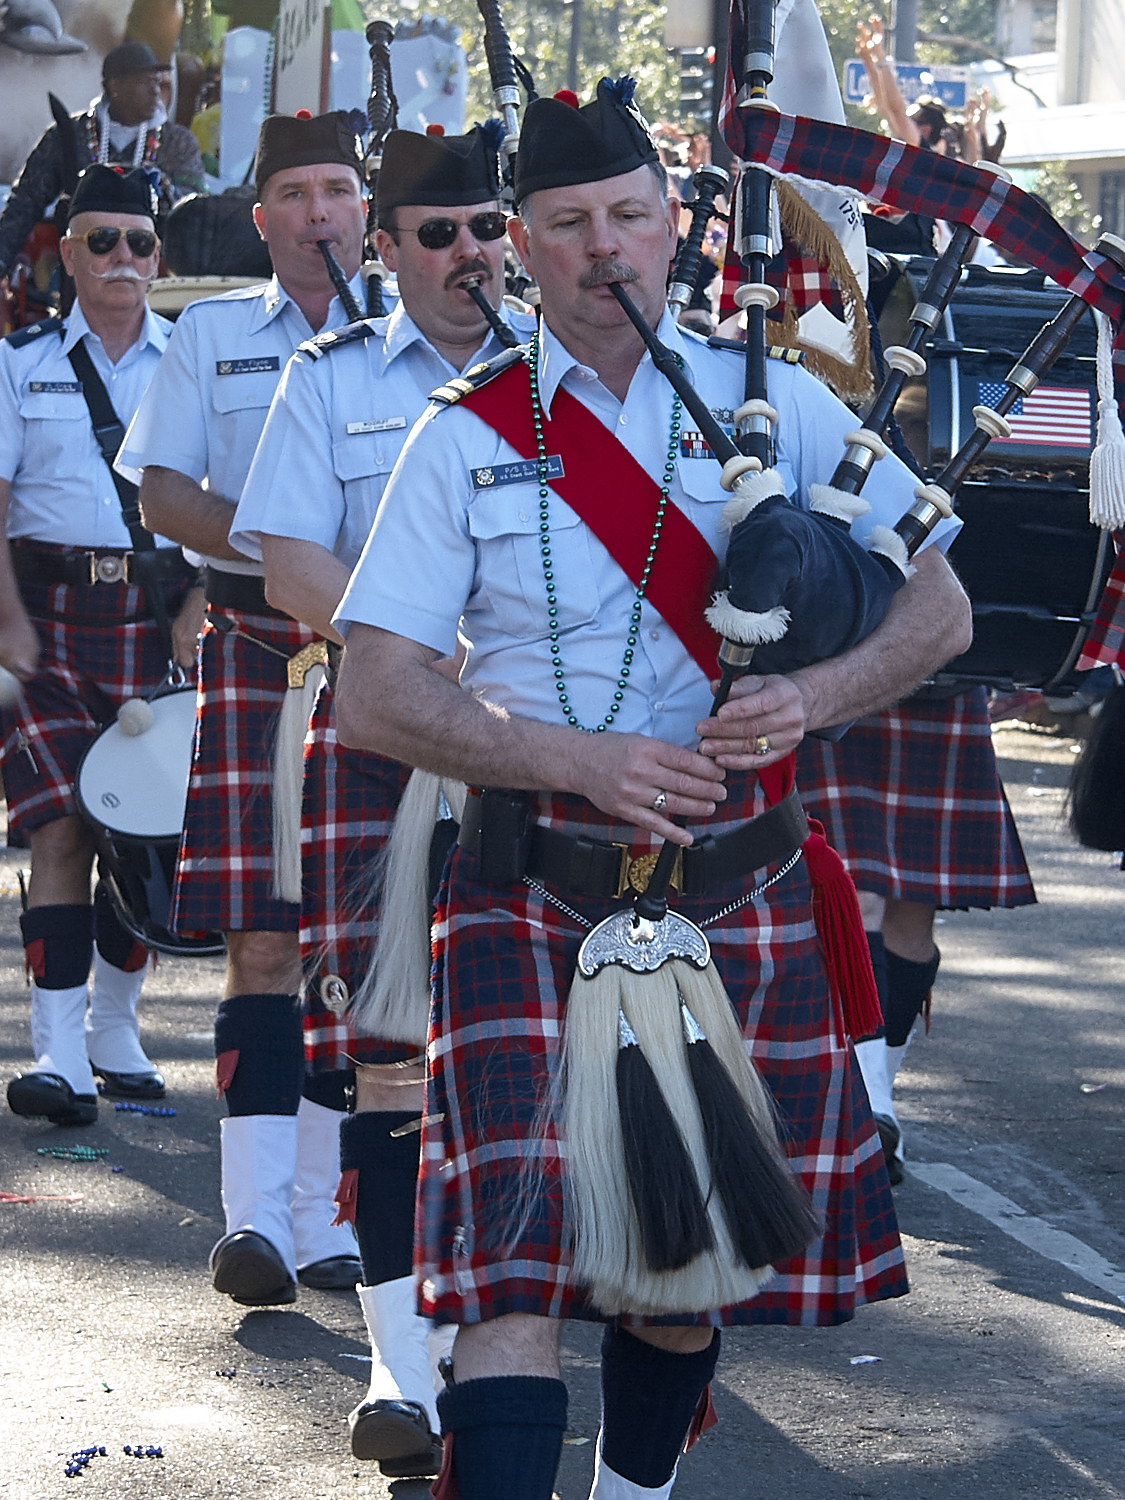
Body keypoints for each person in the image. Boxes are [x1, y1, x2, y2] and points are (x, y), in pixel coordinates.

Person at [330, 79, 972, 1500]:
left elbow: (942, 612)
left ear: (674, 224)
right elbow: (375, 687)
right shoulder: (470, 430)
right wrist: (572, 758)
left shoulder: (780, 404)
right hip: (528, 881)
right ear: (519, 243)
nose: (604, 246)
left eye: (630, 214)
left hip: (732, 878)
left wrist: (810, 696)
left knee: (675, 1282)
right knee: (507, 1284)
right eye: (570, 223)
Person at [228, 122, 534, 1474]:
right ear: (389, 247)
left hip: (548, 760)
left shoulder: (582, 379)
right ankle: (398, 1366)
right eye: (435, 232)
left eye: (484, 228)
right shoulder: (328, 377)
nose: (465, 253)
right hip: (385, 744)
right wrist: (416, 652)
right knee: (395, 1062)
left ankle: (501, 1349)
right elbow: (291, 557)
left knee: (528, 1069)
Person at [115, 111, 367, 1308]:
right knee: (263, 938)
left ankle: (326, 1218)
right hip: (262, 653)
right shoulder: (210, 334)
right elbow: (163, 491)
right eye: (297, 194)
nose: (320, 213)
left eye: (338, 191)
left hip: (391, 668)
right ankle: (254, 1218)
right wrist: (285, 555)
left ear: (366, 212)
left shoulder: (430, 343)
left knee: (359, 952)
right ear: (262, 216)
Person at [0, 165, 201, 1127]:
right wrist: (7, 622)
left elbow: (211, 499)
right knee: (62, 826)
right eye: (102, 241)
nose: (123, 258)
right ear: (68, 254)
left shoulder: (187, 361)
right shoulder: (16, 362)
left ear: (158, 258)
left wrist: (197, 599)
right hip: (42, 619)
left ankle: (117, 1031)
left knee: (146, 823)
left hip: (154, 612)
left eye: (140, 242)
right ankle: (57, 1054)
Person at [796, 689, 1035, 1185]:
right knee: (857, 898)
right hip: (834, 673)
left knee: (911, 922)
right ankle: (869, 1110)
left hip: (935, 670)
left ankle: (874, 1100)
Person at [0, 42, 205, 283]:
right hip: (80, 270)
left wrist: (166, 191)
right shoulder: (69, 136)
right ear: (114, 85)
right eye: (143, 82)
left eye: (156, 82)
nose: (155, 92)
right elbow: (25, 203)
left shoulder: (176, 141)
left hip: (153, 273)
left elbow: (195, 209)